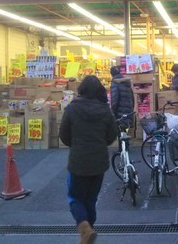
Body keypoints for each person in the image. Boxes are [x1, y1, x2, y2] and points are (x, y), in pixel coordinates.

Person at [59, 75, 118, 244]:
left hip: (78, 161)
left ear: (81, 89)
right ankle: (88, 232)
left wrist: (75, 144)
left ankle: (84, 228)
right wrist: (101, 144)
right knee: (91, 199)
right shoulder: (105, 109)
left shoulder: (72, 108)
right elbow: (112, 134)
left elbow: (64, 134)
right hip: (99, 162)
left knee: (75, 198)